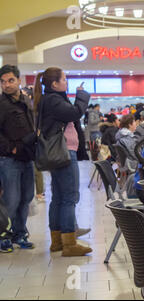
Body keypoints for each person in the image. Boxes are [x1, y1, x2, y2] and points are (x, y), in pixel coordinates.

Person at [34, 67, 92, 256]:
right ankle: (69, 243)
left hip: (59, 153)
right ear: (55, 84)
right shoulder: (53, 100)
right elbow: (75, 113)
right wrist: (82, 95)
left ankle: (57, 241)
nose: (67, 82)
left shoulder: (49, 99)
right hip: (64, 153)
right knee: (69, 197)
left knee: (58, 198)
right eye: (64, 79)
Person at [0, 65, 36, 251]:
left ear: (18, 80)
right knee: (10, 200)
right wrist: (10, 148)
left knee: (26, 197)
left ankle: (19, 233)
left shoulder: (25, 101)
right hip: (9, 160)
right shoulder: (2, 104)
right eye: (3, 82)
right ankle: (3, 237)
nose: (7, 85)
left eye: (10, 80)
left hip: (27, 157)